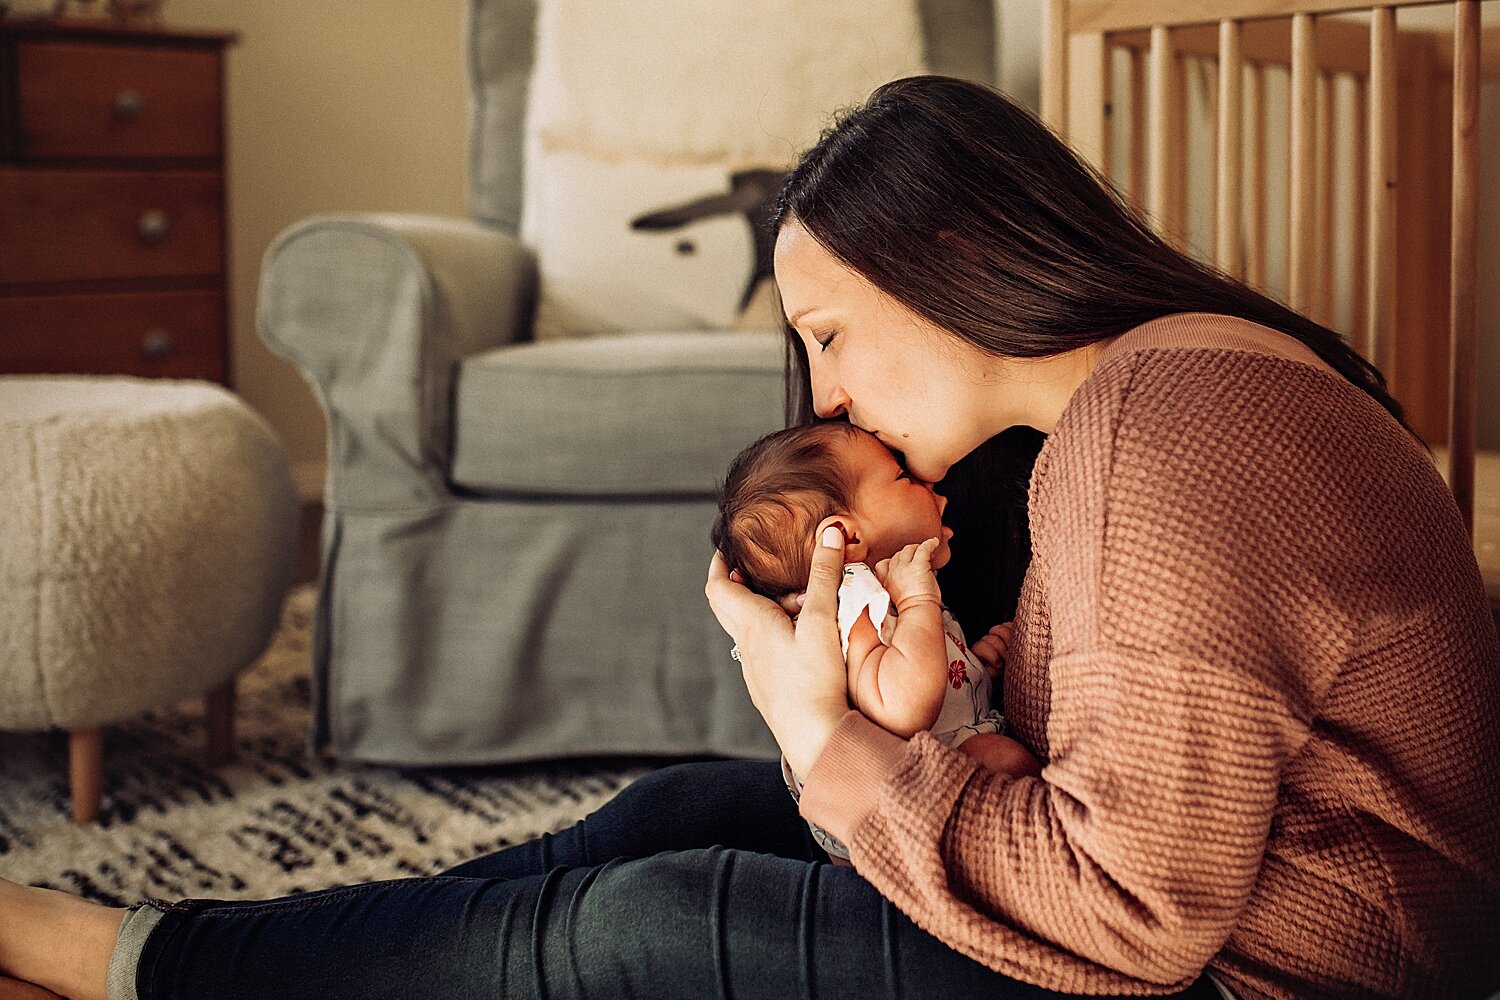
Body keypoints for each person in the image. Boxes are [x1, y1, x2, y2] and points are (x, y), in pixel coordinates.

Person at [3, 74, 1497, 1000]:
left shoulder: (1172, 437)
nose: (827, 391)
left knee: (648, 925)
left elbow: (1137, 919)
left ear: (954, 255)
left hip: (1259, 976)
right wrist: (886, 728)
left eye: (828, 331)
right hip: (1207, 922)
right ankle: (188, 950)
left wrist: (832, 747)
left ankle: (123, 959)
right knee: (668, 815)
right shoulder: (1144, 404)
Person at [710, 422, 1041, 858]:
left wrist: (974, 664)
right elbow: (900, 705)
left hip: (893, 782)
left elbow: (905, 674)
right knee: (1004, 761)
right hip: (895, 790)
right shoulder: (854, 603)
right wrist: (920, 600)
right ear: (847, 537)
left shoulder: (877, 598)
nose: (930, 485)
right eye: (902, 478)